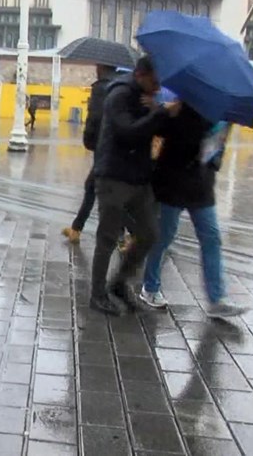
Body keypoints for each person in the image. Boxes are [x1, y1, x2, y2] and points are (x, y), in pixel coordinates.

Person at [89, 56, 181, 315]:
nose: (157, 87)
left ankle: (119, 283)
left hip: (139, 179)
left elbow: (157, 130)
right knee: (107, 237)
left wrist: (162, 113)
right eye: (154, 81)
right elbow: (127, 131)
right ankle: (97, 295)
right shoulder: (119, 94)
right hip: (114, 177)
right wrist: (159, 112)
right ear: (140, 74)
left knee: (150, 233)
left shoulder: (146, 97)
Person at [140, 107, 246, 318]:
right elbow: (161, 138)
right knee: (164, 236)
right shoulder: (178, 110)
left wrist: (220, 139)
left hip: (201, 187)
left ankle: (217, 299)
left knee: (211, 237)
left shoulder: (220, 118)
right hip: (173, 184)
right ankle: (149, 287)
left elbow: (214, 157)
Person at [63, 64, 118, 244]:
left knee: (95, 188)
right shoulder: (121, 86)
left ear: (101, 68)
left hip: (103, 146)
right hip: (118, 146)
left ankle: (127, 235)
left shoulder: (101, 88)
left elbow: (94, 118)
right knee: (97, 187)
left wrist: (89, 141)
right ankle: (77, 228)